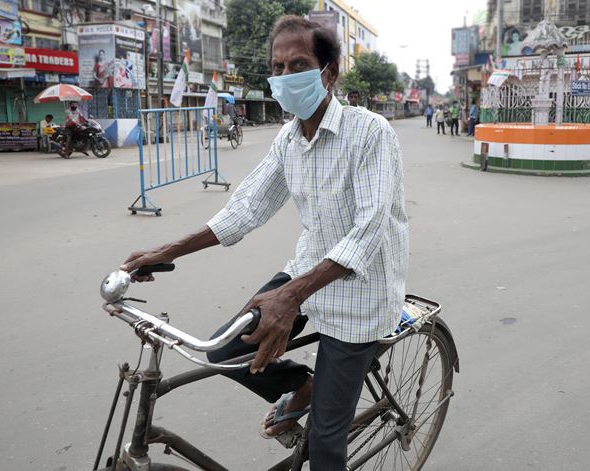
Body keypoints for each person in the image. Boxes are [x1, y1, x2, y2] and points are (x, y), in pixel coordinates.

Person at [120, 15, 408, 469]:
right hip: (308, 269)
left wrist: (290, 295)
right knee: (224, 348)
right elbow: (245, 210)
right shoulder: (288, 140)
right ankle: (305, 385)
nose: (286, 77)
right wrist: (165, 251)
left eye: (299, 65)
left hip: (361, 291)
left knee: (326, 446)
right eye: (279, 68)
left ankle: (324, 408)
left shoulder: (370, 132)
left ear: (328, 72)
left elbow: (368, 231)